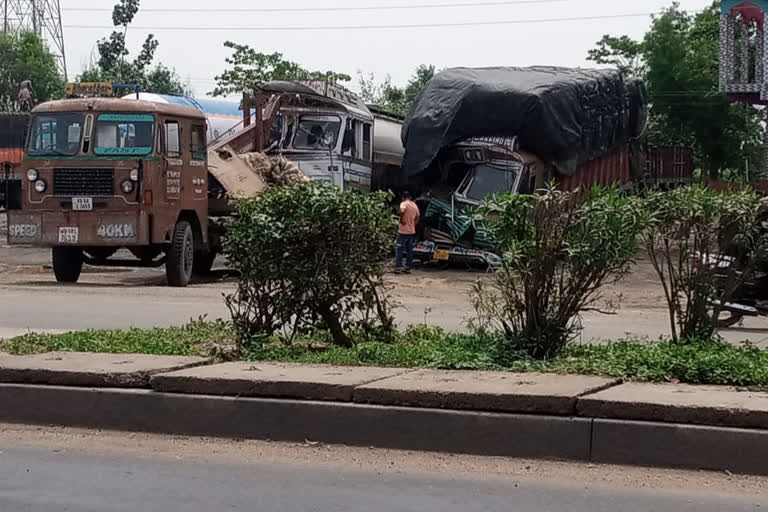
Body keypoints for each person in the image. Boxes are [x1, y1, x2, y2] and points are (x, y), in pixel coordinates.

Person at [395, 191, 420, 273]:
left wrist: (401, 220)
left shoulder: (403, 204)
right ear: (410, 197)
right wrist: (413, 224)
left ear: (403, 197)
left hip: (403, 231)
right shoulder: (414, 205)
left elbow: (402, 211)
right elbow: (418, 216)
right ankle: (408, 267)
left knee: (399, 249)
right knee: (409, 250)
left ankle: (398, 267)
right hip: (411, 231)